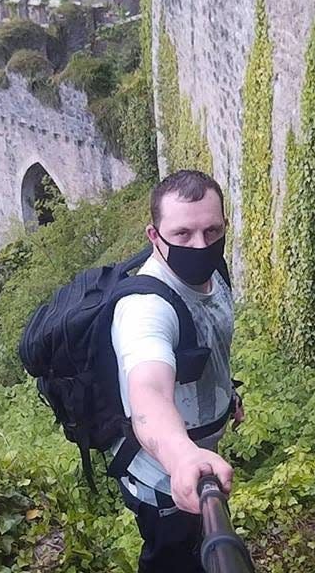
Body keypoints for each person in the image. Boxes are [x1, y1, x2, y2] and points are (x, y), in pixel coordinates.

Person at [111, 169, 242, 572]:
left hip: (196, 464)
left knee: (198, 549)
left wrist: (227, 395)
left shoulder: (213, 274)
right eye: (182, 234)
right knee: (170, 559)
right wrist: (183, 457)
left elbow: (210, 346)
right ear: (155, 236)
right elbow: (147, 391)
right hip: (163, 479)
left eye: (212, 231)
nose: (200, 245)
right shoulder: (145, 308)